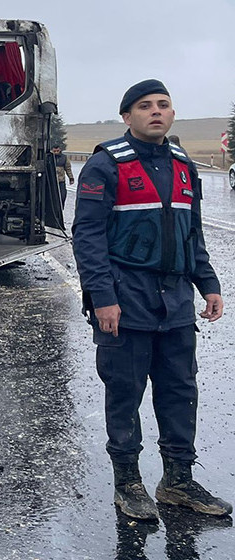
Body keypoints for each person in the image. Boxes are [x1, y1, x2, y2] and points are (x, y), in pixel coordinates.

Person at [72, 79, 228, 521]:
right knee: (124, 394)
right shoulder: (105, 166)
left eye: (163, 105)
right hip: (126, 301)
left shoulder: (183, 166)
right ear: (127, 116)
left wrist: (208, 283)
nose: (155, 111)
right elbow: (88, 238)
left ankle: (177, 481)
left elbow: (191, 233)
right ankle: (129, 484)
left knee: (180, 392)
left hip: (175, 302)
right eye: (144, 106)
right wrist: (103, 297)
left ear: (173, 114)